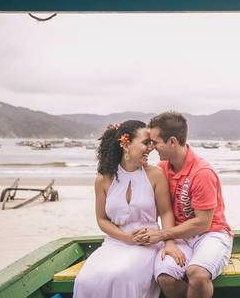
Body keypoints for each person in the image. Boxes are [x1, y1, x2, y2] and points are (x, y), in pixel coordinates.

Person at [73, 120, 178, 298]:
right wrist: (126, 238)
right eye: (146, 143)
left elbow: (167, 212)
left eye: (152, 143)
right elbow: (102, 219)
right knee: (85, 279)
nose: (151, 148)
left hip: (148, 244)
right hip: (115, 243)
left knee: (122, 274)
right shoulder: (103, 179)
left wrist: (169, 242)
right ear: (126, 144)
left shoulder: (155, 175)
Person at [138, 111, 232, 298]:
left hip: (210, 234)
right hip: (180, 236)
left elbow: (203, 223)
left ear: (172, 141)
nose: (152, 147)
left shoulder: (202, 173)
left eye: (155, 142)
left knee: (196, 274)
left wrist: (162, 235)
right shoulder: (162, 169)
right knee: (165, 278)